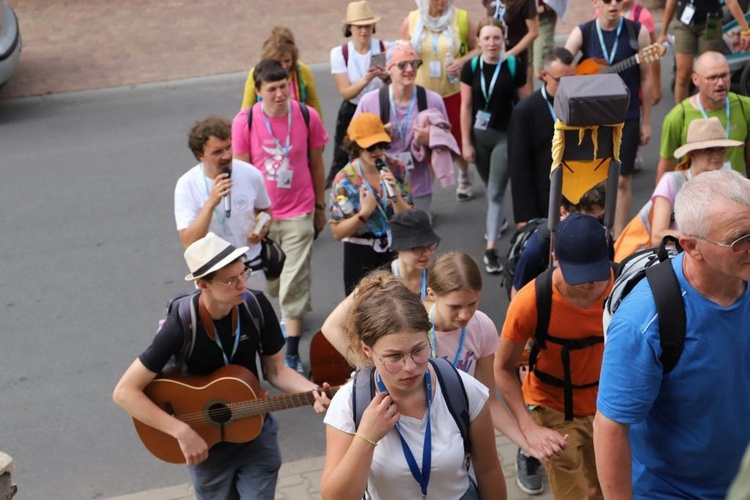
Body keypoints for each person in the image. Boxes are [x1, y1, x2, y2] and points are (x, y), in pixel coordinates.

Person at [112, 233, 330, 500]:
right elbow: (124, 392)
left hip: (255, 432)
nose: (242, 285)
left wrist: (314, 391)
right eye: (231, 280)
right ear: (203, 285)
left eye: (244, 273)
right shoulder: (181, 324)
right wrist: (181, 431)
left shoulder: (256, 306)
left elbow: (276, 371)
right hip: (205, 444)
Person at [595, 169, 750, 498]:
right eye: (741, 239)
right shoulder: (644, 321)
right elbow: (610, 428)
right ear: (691, 246)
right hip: (672, 491)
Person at [320, 271, 507, 499]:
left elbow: (489, 471)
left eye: (418, 350)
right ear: (367, 351)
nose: (410, 367)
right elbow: (335, 497)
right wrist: (366, 438)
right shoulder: (350, 403)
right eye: (394, 357)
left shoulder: (461, 388)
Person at [496, 213, 614, 499]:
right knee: (572, 494)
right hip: (554, 408)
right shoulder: (531, 301)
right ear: (555, 258)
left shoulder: (623, 286)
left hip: (609, 406)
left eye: (595, 273)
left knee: (605, 488)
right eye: (579, 275)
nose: (588, 284)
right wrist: (528, 429)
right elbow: (501, 368)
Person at [231, 59, 330, 374]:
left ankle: (291, 353)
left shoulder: (305, 115)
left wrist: (319, 206)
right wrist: (244, 218)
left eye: (283, 86)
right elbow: (241, 174)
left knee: (292, 283)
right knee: (273, 283)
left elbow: (316, 163)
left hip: (300, 209)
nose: (279, 94)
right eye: (271, 89)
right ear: (258, 92)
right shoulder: (244, 122)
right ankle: (293, 314)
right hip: (263, 217)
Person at [565, 0, 653, 238]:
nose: (613, 4)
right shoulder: (583, 32)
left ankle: (618, 237)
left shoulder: (638, 32)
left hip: (628, 114)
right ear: (596, 3)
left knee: (622, 180)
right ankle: (592, 231)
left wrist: (646, 121)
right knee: (595, 178)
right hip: (592, 117)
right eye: (606, 0)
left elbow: (646, 78)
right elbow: (562, 65)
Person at [321, 208, 441, 363]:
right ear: (399, 246)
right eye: (417, 247)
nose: (426, 253)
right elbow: (331, 327)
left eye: (430, 245)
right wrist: (367, 366)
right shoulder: (379, 281)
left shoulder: (436, 276)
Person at [615, 117, 743, 262]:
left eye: (721, 148)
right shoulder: (672, 181)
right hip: (675, 257)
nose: (717, 155)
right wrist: (702, 239)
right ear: (692, 153)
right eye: (709, 150)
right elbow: (658, 236)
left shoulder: (728, 181)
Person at [175, 116, 272, 292]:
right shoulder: (187, 185)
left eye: (229, 147)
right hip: (213, 272)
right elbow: (189, 242)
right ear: (200, 155)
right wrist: (211, 203)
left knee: (255, 318)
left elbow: (265, 210)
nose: (227, 155)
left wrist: (261, 228)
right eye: (217, 151)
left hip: (250, 266)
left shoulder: (251, 174)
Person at [461, 17, 526, 274]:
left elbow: (524, 105)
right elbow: (466, 107)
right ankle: (498, 220)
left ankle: (490, 249)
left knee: (496, 193)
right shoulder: (471, 67)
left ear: (504, 40)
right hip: (479, 137)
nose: (491, 43)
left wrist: (525, 140)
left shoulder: (513, 65)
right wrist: (465, 142)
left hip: (504, 137)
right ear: (478, 41)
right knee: (490, 188)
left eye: (496, 38)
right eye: (486, 38)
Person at [354, 43, 449, 217]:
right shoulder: (369, 101)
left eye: (414, 63)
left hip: (419, 188)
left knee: (419, 241)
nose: (409, 69)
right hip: (380, 188)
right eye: (402, 64)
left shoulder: (432, 100)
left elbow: (447, 139)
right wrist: (376, 136)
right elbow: (353, 142)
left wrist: (431, 138)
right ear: (389, 69)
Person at [401, 0, 479, 202]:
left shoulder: (460, 18)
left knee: (457, 140)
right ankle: (426, 198)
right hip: (423, 96)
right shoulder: (412, 20)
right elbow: (401, 54)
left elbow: (477, 48)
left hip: (453, 92)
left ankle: (464, 173)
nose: (442, 2)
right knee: (427, 146)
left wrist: (461, 62)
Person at [329, 113, 412, 295]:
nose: (377, 151)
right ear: (356, 147)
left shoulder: (397, 169)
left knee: (400, 306)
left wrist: (396, 196)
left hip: (396, 247)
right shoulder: (344, 180)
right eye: (370, 146)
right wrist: (363, 214)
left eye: (381, 145)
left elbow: (410, 218)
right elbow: (337, 232)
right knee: (363, 310)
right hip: (360, 251)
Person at [656, 51, 750, 182]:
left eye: (724, 75)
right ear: (695, 79)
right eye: (712, 78)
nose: (721, 83)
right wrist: (662, 199)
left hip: (733, 196)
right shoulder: (678, 116)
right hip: (695, 197)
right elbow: (666, 166)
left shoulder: (744, 107)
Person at [508, 46, 575, 227]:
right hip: (544, 198)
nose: (568, 86)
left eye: (572, 78)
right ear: (544, 75)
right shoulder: (526, 111)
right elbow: (519, 168)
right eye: (560, 80)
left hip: (578, 193)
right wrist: (524, 217)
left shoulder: (581, 102)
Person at [326, 1, 389, 188]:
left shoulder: (385, 47)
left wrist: (385, 76)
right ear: (350, 28)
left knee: (380, 150)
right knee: (346, 154)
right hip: (353, 109)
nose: (364, 31)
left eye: (367, 26)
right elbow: (345, 92)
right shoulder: (340, 53)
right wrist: (366, 79)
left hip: (380, 107)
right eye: (359, 26)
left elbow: (396, 82)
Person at [658, 0, 750, 104]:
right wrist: (663, 33)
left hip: (711, 24)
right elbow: (671, 3)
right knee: (683, 76)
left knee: (708, 74)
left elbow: (731, 2)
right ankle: (681, 116)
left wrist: (745, 29)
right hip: (684, 25)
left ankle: (707, 113)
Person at [239, 27, 322, 119]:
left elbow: (313, 103)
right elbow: (246, 109)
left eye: (287, 61)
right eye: (278, 62)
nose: (284, 66)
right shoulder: (256, 73)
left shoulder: (303, 71)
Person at [484, 0, 540, 98]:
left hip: (515, 57)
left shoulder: (525, 2)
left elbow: (534, 32)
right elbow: (489, 20)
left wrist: (509, 54)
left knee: (517, 97)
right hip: (493, 56)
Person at [531, 0, 569, 78]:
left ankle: (559, 87)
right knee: (527, 69)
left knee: (540, 70)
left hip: (544, 15)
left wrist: (543, 8)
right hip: (524, 16)